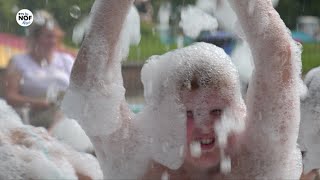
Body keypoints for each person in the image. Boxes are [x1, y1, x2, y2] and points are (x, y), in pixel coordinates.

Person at [62, 0, 304, 179]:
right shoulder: (141, 161)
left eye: (217, 111)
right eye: (188, 114)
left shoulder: (256, 159)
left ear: (239, 113)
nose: (204, 124)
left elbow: (278, 58)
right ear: (164, 122)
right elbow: (90, 89)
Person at [4, 10, 74, 129]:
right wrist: (37, 103)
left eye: (55, 36)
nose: (53, 41)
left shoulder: (66, 60)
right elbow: (10, 97)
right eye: (48, 36)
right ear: (35, 38)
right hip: (33, 118)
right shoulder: (18, 61)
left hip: (65, 116)